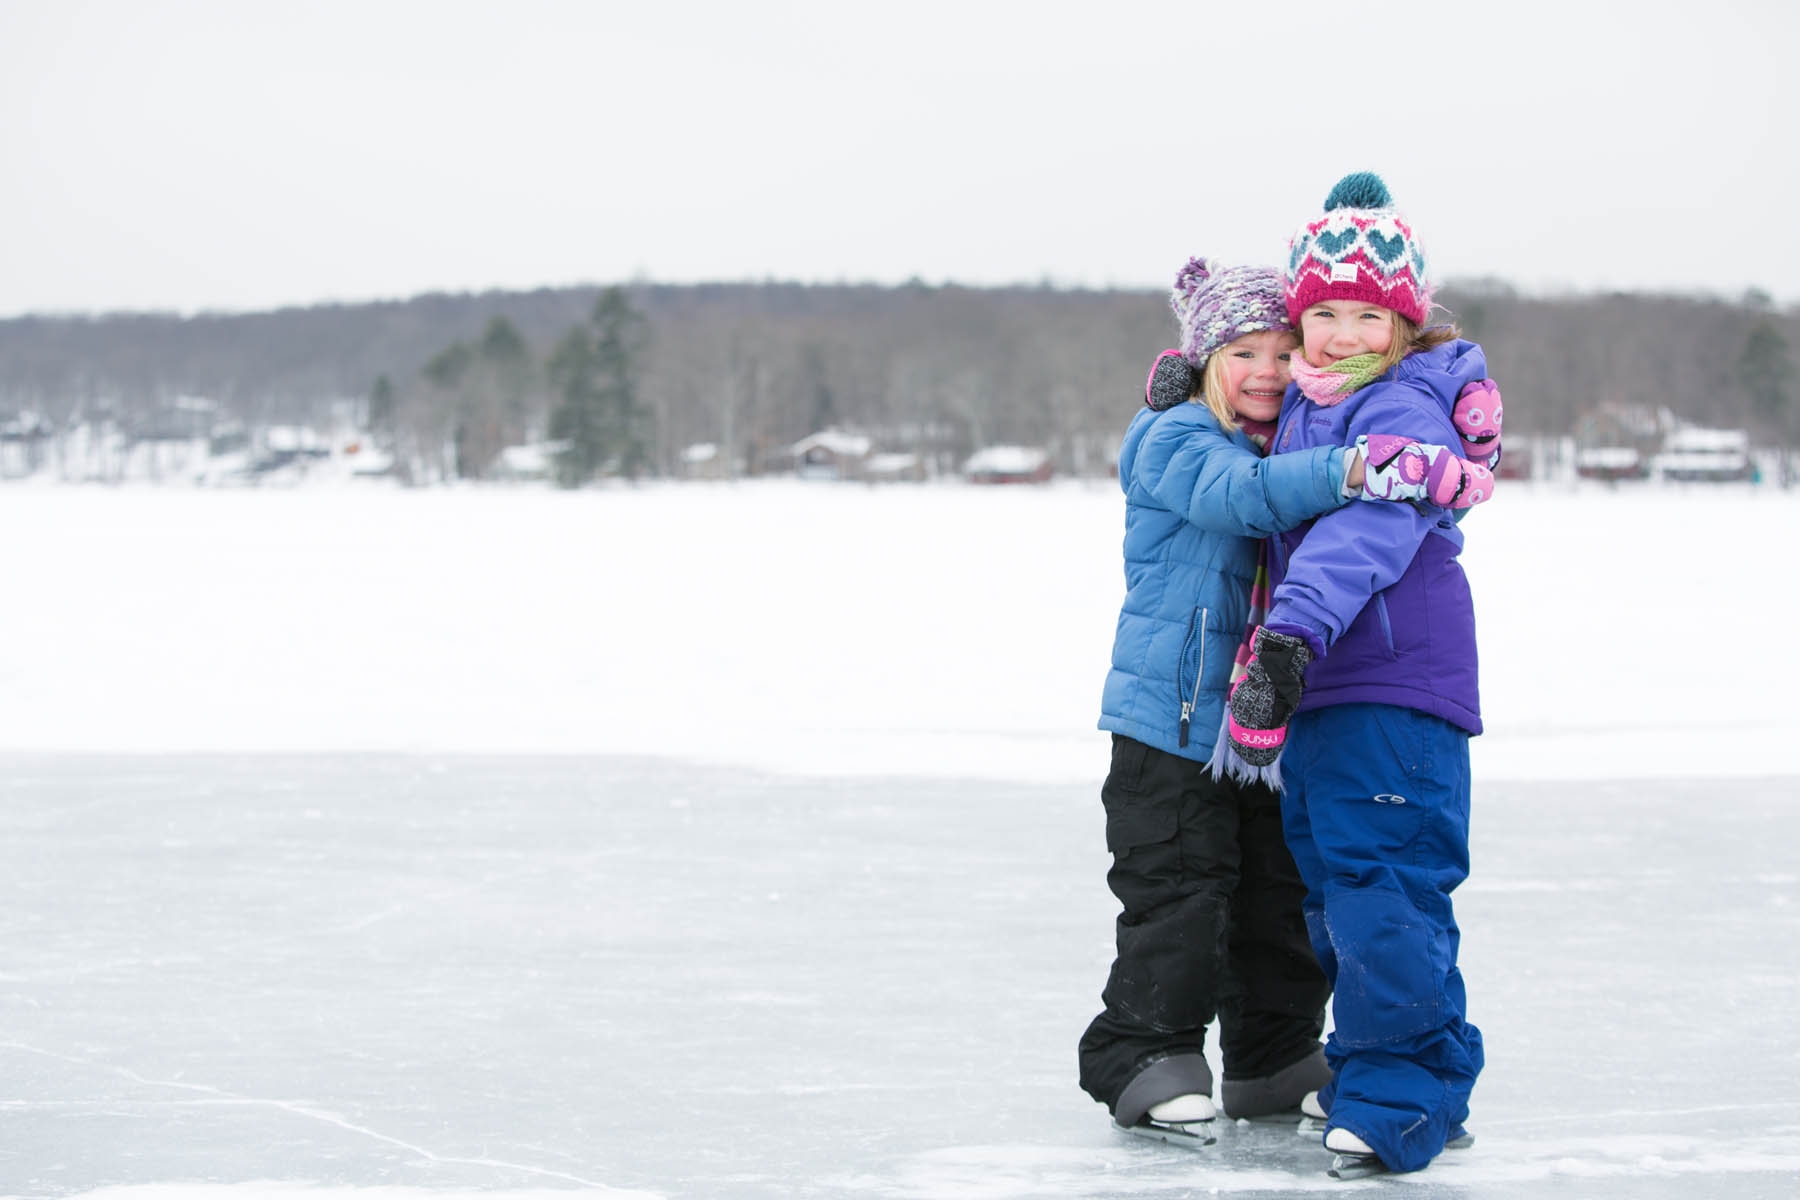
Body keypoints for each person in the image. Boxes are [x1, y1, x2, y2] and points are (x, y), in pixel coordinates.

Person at [1082, 256, 1488, 1138]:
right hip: (1175, 716)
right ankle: (1145, 1051)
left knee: (1278, 895)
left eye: (1279, 349)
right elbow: (1243, 500)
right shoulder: (1176, 434)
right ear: (1203, 363)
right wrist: (1358, 469)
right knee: (1180, 889)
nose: (1266, 371)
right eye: (1241, 353)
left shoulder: (1287, 436)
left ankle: (1273, 1057)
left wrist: (1449, 424)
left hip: (1268, 720)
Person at [1221, 172, 1491, 1174]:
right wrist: (1187, 379)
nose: (1339, 333)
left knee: (1381, 893)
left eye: (1366, 314)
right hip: (1334, 688)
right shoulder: (1315, 403)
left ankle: (1397, 1102)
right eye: (1323, 312)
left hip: (1388, 682)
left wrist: (1287, 638)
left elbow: (1369, 528)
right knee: (1347, 897)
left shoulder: (1404, 403)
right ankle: (1426, 1074)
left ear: (1404, 323)